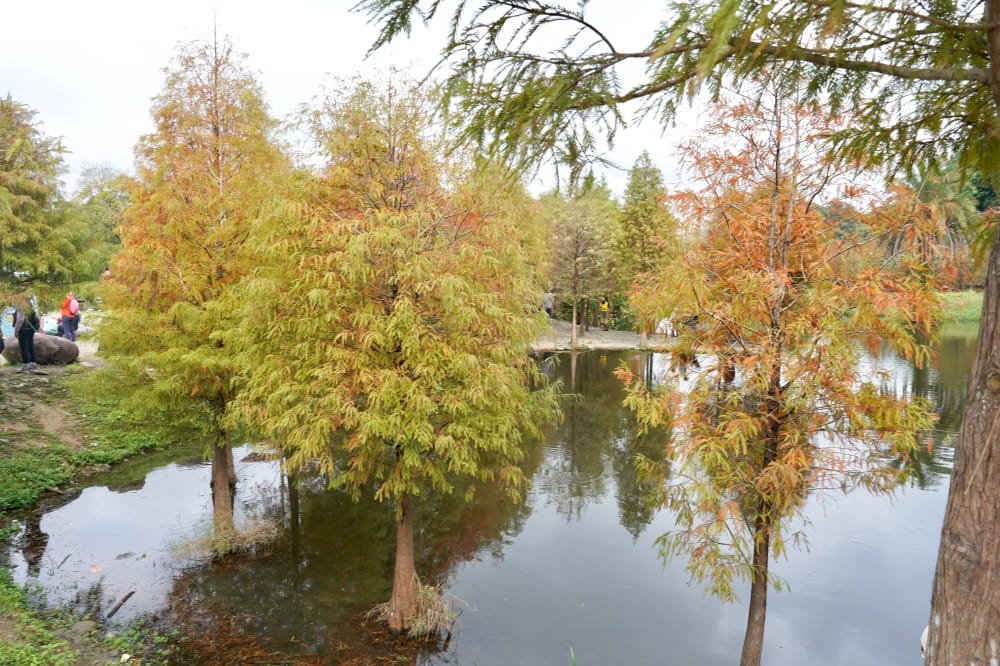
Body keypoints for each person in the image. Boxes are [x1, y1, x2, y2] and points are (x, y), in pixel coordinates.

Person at [13, 301, 39, 373]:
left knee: (24, 348)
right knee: (30, 347)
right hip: (31, 330)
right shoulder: (31, 308)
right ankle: (33, 364)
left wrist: (16, 330)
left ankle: (26, 365)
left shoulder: (20, 308)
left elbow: (20, 320)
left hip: (23, 330)